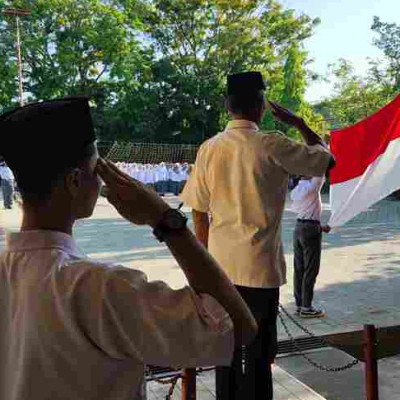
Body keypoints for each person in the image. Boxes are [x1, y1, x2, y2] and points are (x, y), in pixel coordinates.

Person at [0, 97, 258, 400]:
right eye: (98, 168)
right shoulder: (100, 288)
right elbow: (238, 327)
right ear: (74, 181)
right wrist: (164, 219)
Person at [180, 71, 335, 400]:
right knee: (261, 356)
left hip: (221, 272)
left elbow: (197, 210)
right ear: (262, 106)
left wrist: (206, 263)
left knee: (226, 354)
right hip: (260, 271)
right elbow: (326, 160)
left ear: (226, 106)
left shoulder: (209, 149)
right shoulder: (272, 143)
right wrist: (300, 123)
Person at [290, 176, 331, 318]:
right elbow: (321, 169)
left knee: (299, 268)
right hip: (310, 229)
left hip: (299, 227)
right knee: (311, 269)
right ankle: (307, 307)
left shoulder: (297, 189)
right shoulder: (313, 185)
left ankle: (300, 305)